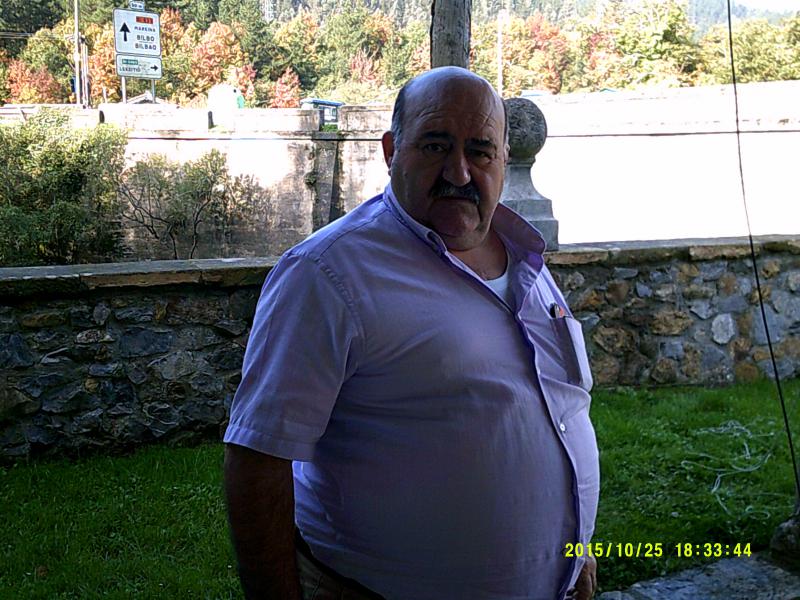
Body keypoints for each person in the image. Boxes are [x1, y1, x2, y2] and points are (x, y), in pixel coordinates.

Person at [223, 66, 600, 600]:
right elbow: (258, 457)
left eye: (480, 151)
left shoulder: (526, 259)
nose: (459, 172)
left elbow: (559, 408)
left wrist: (575, 547)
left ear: (503, 158)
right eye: (436, 145)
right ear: (391, 151)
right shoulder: (328, 274)